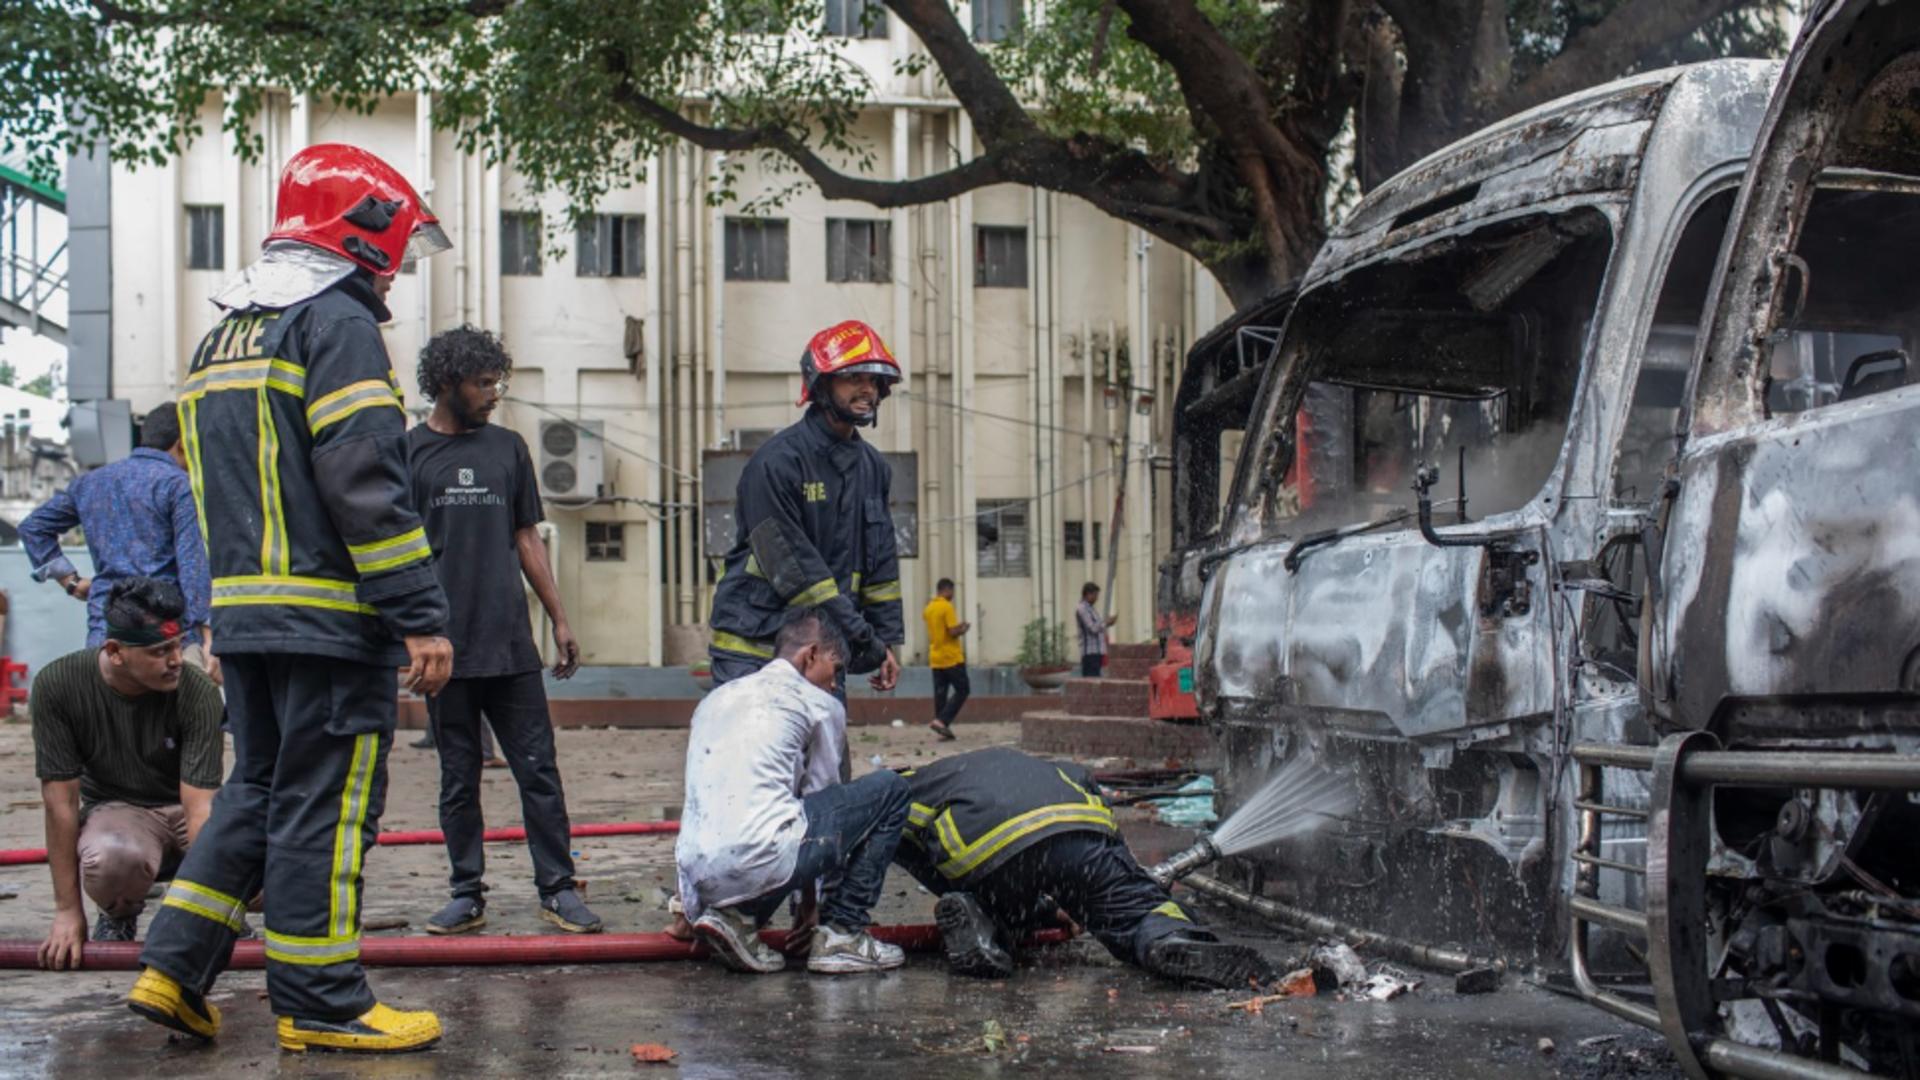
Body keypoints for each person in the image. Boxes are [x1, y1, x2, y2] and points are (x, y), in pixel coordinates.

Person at [129, 143, 455, 1055]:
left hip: (245, 617)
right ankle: (322, 999)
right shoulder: (336, 322)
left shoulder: (223, 330)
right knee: (327, 803)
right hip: (329, 619)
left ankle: (173, 966)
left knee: (262, 789)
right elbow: (365, 479)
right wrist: (420, 613)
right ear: (369, 232)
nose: (395, 275)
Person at [405, 325, 600, 937]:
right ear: (446, 383)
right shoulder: (408, 453)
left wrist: (559, 618)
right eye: (482, 383)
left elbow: (526, 536)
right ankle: (466, 893)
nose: (493, 393)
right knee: (458, 777)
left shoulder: (508, 448)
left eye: (497, 381)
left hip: (511, 644)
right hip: (444, 649)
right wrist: (408, 634)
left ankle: (558, 888)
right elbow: (401, 550)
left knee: (538, 770)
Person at [894, 747, 1275, 989]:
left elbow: (917, 859)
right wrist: (1118, 877)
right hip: (1077, 830)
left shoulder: (902, 790)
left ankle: (986, 926)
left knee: (992, 893)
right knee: (1133, 906)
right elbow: (1086, 785)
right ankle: (1170, 938)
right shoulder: (1036, 765)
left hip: (991, 851)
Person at [677, 608, 911, 976]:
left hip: (698, 875)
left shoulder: (717, 699)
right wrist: (809, 906)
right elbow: (825, 807)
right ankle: (843, 933)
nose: (835, 685)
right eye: (835, 670)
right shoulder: (819, 704)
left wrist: (688, 908)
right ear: (811, 655)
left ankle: (735, 919)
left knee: (765, 830)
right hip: (761, 859)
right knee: (892, 790)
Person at [706, 320, 905, 699]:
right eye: (853, 377)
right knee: (753, 753)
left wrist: (885, 642)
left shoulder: (874, 468)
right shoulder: (776, 463)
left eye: (874, 380)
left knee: (825, 759)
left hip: (826, 642)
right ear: (822, 385)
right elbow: (796, 570)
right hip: (754, 646)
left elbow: (881, 567)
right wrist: (864, 638)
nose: (867, 388)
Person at [31, 579, 225, 965]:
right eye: (159, 651)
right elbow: (61, 805)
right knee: (111, 859)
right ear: (115, 652)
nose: (175, 660)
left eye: (177, 645)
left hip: (185, 810)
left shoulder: (197, 690)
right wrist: (68, 912)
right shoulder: (58, 686)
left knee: (264, 861)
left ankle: (223, 913)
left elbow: (200, 810)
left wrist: (212, 910)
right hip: (119, 812)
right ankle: (118, 915)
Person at [18, 403, 217, 679]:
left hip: (106, 633)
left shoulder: (91, 482)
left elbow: (33, 528)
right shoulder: (178, 484)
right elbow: (192, 565)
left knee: (106, 717)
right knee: (177, 720)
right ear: (183, 444)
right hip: (166, 637)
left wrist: (71, 582)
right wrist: (208, 635)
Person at [922, 577, 970, 740]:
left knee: (941, 693)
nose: (953, 595)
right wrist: (963, 628)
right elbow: (951, 631)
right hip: (951, 657)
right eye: (952, 591)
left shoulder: (929, 608)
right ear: (946, 590)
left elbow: (938, 630)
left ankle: (941, 726)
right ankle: (942, 721)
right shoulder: (946, 607)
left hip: (935, 657)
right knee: (963, 689)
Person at [1075, 582, 1118, 678]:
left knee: (1096, 681)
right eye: (1095, 595)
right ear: (1088, 594)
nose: (1096, 598)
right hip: (1089, 652)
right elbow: (1092, 628)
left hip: (1097, 651)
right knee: (1091, 681)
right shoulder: (1082, 609)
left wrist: (1108, 623)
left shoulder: (1091, 609)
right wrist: (1106, 622)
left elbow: (1098, 625)